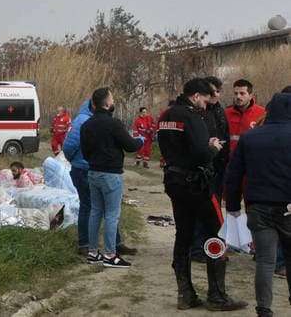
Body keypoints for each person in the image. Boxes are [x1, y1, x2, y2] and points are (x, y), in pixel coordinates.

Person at [158, 78, 246, 311]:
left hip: (174, 181)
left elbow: (168, 147)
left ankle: (185, 294)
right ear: (196, 96)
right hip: (197, 184)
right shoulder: (192, 116)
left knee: (183, 234)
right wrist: (213, 148)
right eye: (205, 100)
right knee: (217, 233)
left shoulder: (165, 116)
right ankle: (217, 296)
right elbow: (200, 153)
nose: (207, 105)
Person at [224, 91, 291, 317]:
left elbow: (233, 174)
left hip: (258, 206)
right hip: (289, 207)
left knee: (265, 261)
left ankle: (264, 309)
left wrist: (232, 205)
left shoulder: (250, 137)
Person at [63, 98, 136, 257]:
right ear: (97, 105)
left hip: (91, 168)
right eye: (110, 100)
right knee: (93, 208)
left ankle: (104, 246)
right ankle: (89, 244)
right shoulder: (83, 121)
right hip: (85, 169)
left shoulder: (91, 121)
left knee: (102, 209)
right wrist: (79, 161)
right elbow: (69, 147)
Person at [80, 88, 143, 268]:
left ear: (93, 104)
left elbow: (85, 153)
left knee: (95, 212)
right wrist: (140, 141)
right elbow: (130, 146)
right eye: (112, 99)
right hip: (111, 174)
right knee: (111, 215)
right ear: (107, 104)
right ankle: (109, 255)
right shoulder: (113, 124)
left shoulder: (87, 125)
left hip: (93, 172)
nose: (113, 101)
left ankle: (93, 252)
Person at [190, 76, 231, 263]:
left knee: (214, 211)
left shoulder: (219, 111)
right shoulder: (199, 113)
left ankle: (213, 246)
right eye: (211, 92)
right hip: (204, 168)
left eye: (216, 91)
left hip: (219, 167)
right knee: (202, 211)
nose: (214, 95)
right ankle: (199, 248)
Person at [225, 79, 266, 153]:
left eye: (242, 93)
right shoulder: (226, 113)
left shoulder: (262, 113)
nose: (238, 96)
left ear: (250, 96)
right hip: (230, 160)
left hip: (252, 158)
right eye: (236, 93)